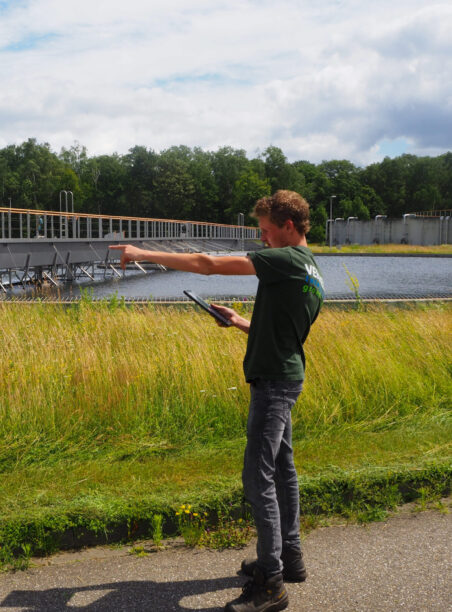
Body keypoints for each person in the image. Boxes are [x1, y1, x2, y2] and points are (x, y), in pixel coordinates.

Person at [109, 190, 324, 612]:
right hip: (286, 375)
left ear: (289, 226)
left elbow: (208, 265)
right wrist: (244, 322)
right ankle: (290, 558)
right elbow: (287, 334)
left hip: (273, 385)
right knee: (283, 470)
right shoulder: (310, 267)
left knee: (257, 477)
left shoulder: (286, 260)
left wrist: (140, 253)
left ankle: (271, 584)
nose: (262, 239)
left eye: (266, 231)